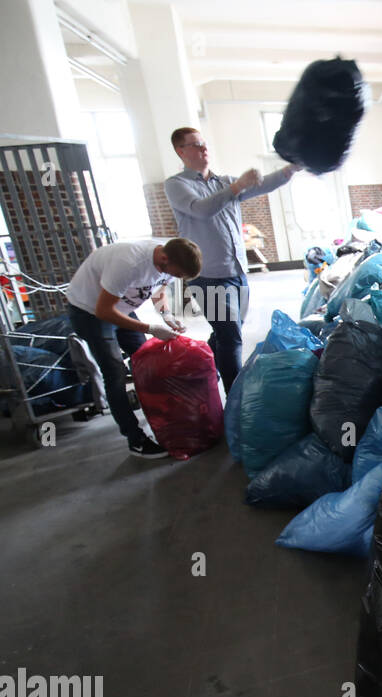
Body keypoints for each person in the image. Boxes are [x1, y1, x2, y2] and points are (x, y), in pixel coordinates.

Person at [164, 126, 301, 392]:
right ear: (180, 152)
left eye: (204, 143)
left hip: (236, 272)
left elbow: (264, 185)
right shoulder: (177, 185)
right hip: (207, 277)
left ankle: (204, 372)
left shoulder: (222, 181)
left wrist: (292, 169)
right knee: (231, 337)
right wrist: (238, 186)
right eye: (195, 145)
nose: (204, 148)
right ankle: (235, 398)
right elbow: (202, 210)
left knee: (226, 331)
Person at [65, 237, 203, 458]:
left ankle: (160, 416)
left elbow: (158, 287)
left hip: (121, 307)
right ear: (164, 258)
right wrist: (150, 328)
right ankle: (135, 439)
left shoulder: (171, 255)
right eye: (177, 274)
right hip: (90, 311)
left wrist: (166, 315)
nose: (176, 278)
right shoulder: (129, 264)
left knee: (147, 359)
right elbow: (103, 311)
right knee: (115, 373)